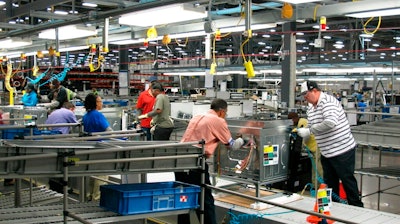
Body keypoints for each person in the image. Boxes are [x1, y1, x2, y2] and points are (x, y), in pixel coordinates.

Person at [175, 98, 244, 224]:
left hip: (179, 161)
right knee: (205, 200)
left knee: (183, 198)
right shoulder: (218, 121)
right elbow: (232, 145)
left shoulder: (198, 116)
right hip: (195, 163)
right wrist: (243, 140)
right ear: (222, 112)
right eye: (226, 113)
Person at [297, 81, 363, 207]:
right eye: (303, 95)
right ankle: (335, 209)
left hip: (342, 150)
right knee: (330, 183)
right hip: (326, 152)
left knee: (347, 181)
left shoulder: (328, 102)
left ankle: (357, 209)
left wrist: (309, 130)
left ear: (315, 90)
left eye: (306, 94)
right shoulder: (311, 107)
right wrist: (306, 131)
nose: (304, 97)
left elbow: (330, 123)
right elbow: (312, 124)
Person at [82, 93, 112, 201]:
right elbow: (109, 131)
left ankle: (90, 195)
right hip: (101, 148)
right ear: (95, 103)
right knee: (101, 175)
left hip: (90, 148)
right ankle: (97, 198)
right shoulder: (97, 115)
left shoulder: (86, 115)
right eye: (100, 101)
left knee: (92, 173)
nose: (101, 103)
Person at [288, 112, 323, 189]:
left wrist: (293, 131)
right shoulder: (299, 123)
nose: (292, 123)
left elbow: (302, 131)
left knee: (317, 169)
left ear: (294, 119)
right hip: (312, 148)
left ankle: (320, 187)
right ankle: (314, 186)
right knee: (314, 169)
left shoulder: (302, 122)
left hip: (316, 147)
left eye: (291, 121)